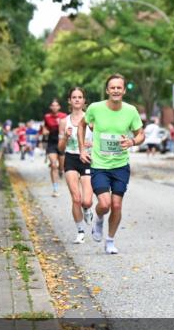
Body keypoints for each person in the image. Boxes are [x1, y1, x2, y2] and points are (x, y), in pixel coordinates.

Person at [79, 74, 144, 255]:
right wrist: (82, 149)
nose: (116, 90)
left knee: (116, 205)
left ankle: (110, 240)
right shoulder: (95, 108)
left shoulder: (131, 111)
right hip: (99, 164)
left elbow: (141, 134)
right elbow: (81, 125)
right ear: (107, 90)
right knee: (105, 204)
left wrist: (132, 142)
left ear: (123, 90)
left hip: (121, 165)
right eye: (112, 87)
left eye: (119, 87)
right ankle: (99, 217)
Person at [60, 87, 94, 244]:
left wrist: (90, 142)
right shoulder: (64, 121)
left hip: (87, 158)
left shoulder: (91, 119)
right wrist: (66, 137)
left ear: (84, 100)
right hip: (71, 158)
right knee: (76, 198)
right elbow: (60, 148)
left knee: (86, 201)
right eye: (74, 97)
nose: (77, 100)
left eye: (80, 97)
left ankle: (87, 209)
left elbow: (99, 141)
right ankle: (80, 231)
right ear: (69, 100)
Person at [42, 99, 67, 197]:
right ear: (50, 107)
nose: (55, 107)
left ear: (59, 107)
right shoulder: (47, 117)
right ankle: (55, 189)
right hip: (51, 143)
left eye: (56, 105)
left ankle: (61, 171)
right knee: (53, 165)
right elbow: (45, 128)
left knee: (62, 166)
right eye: (53, 105)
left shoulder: (64, 116)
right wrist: (45, 131)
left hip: (62, 142)